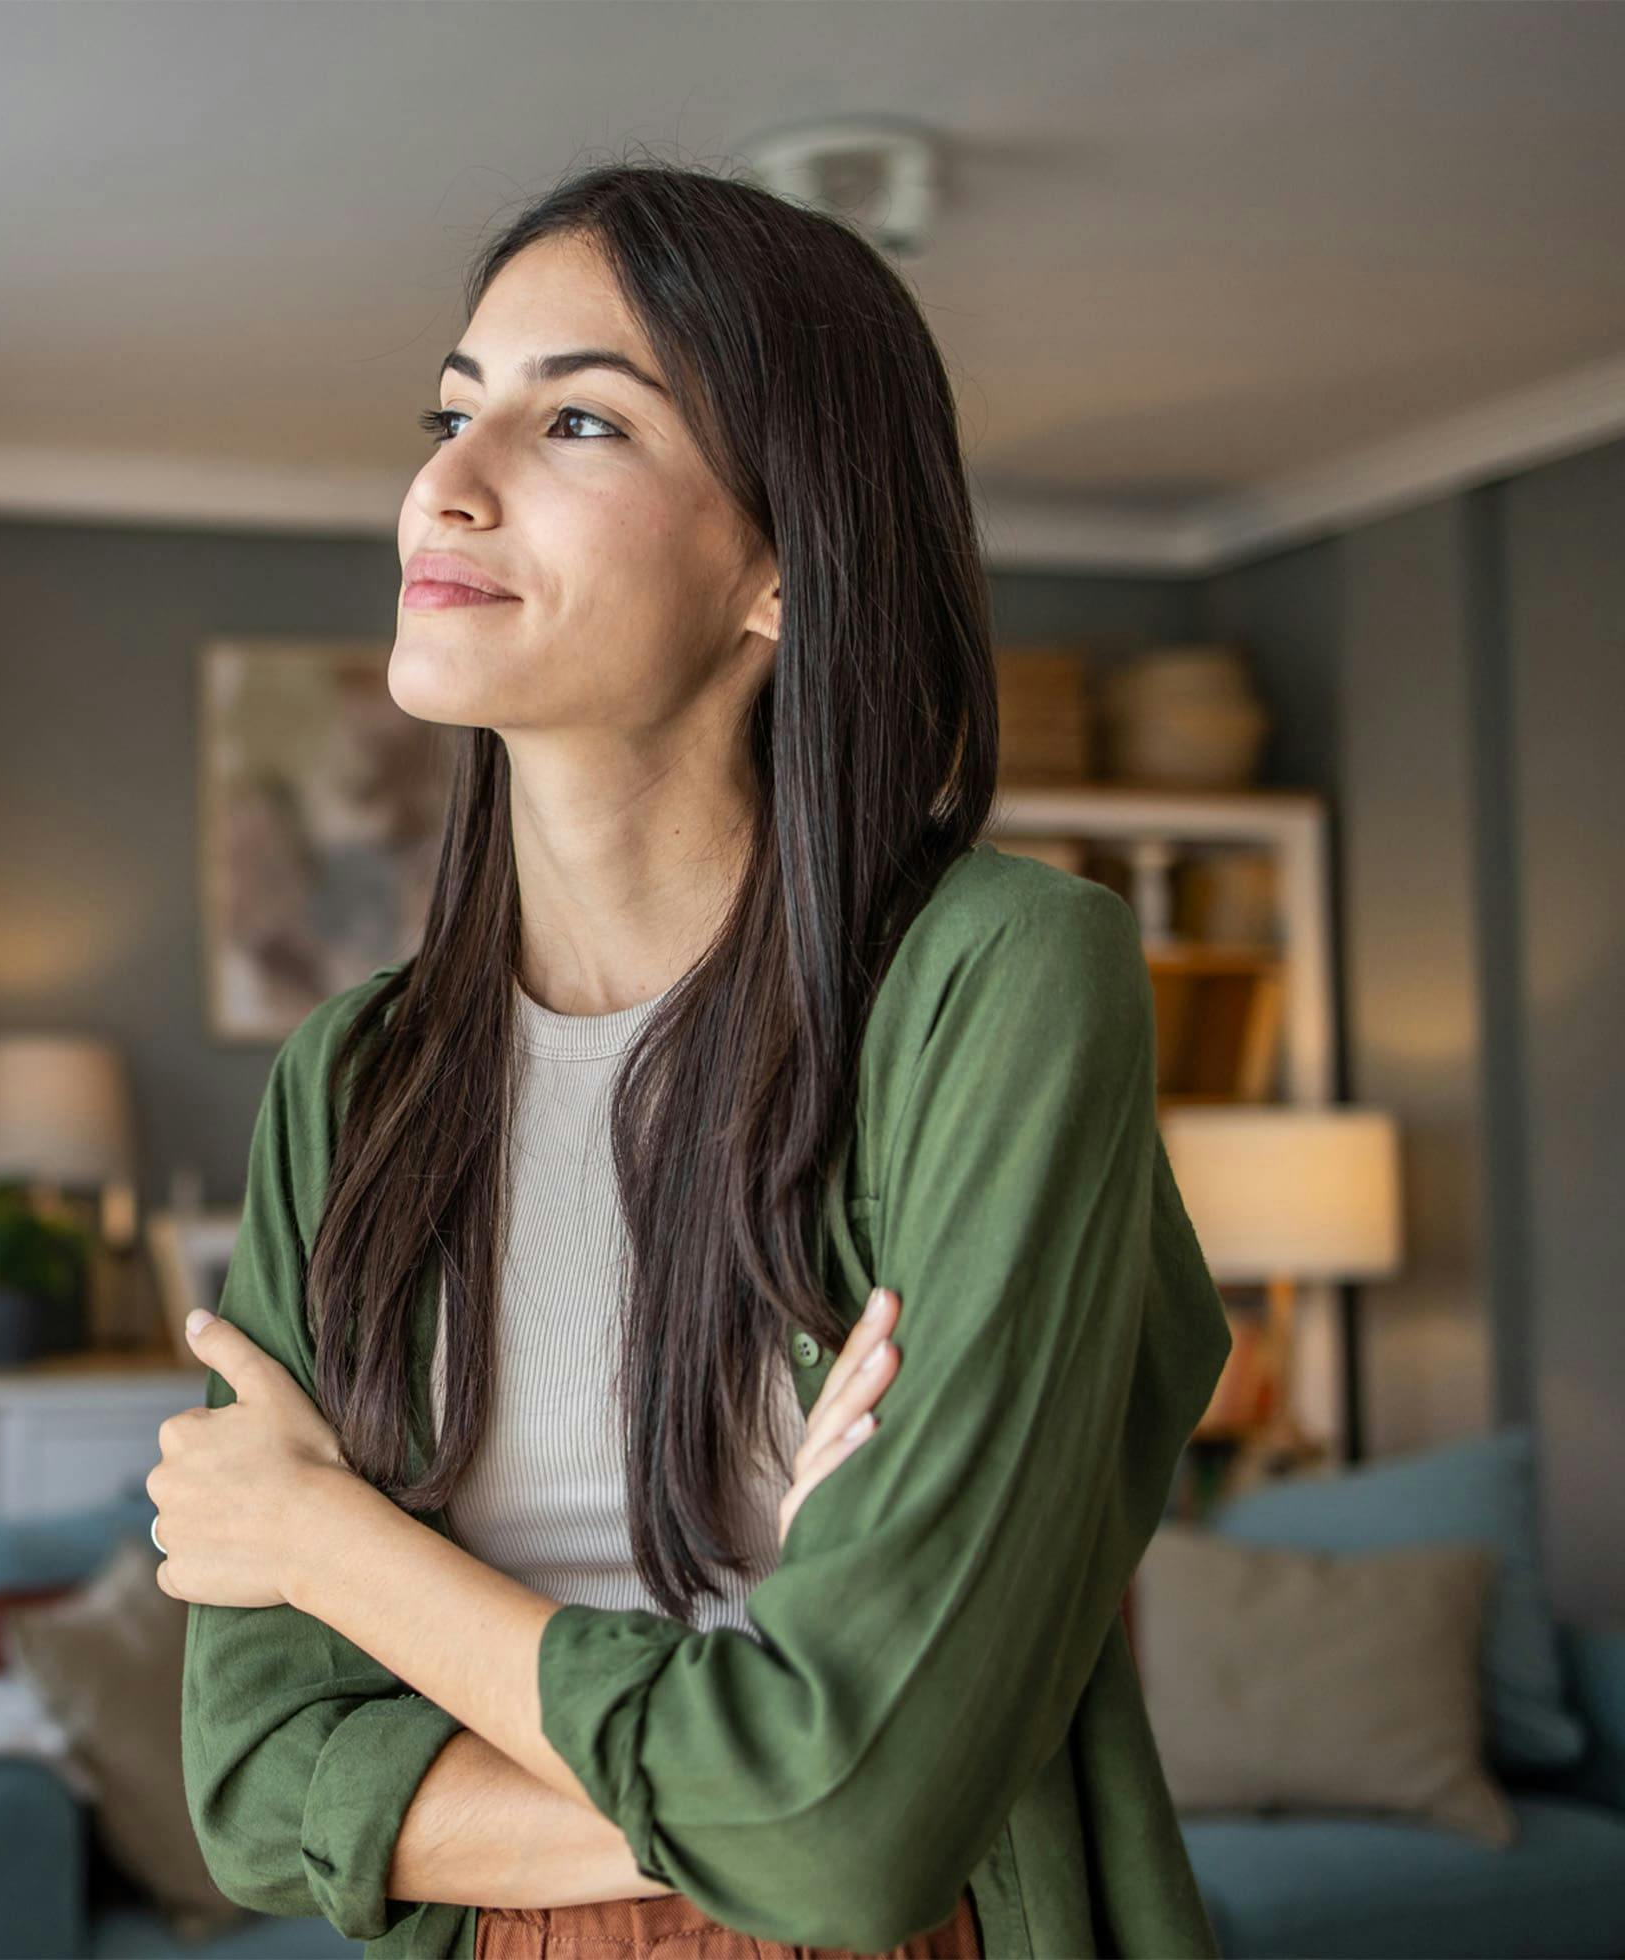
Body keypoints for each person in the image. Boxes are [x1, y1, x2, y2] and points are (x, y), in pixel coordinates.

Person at [151, 159, 1233, 1960]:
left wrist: (328, 1545)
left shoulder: (1003, 985)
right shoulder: (352, 1084)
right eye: (452, 409)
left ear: (784, 565)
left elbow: (857, 1847)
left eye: (573, 417)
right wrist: (752, 1724)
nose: (446, 483)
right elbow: (260, 1790)